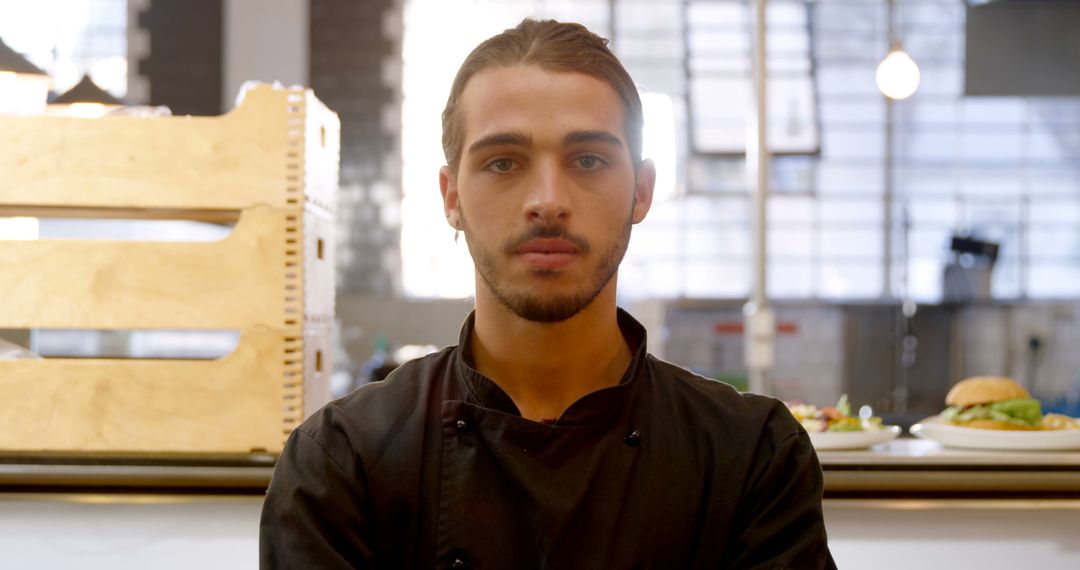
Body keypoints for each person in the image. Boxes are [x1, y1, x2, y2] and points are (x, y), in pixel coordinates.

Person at [260, 18, 836, 569]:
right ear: (451, 196)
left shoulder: (752, 459)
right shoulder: (341, 463)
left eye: (587, 159)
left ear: (641, 190)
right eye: (503, 161)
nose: (548, 199)